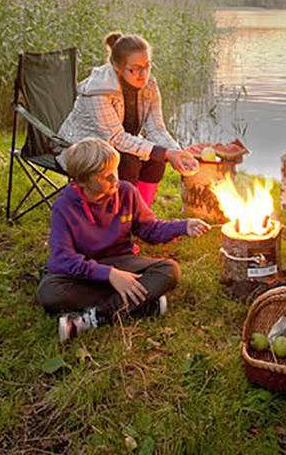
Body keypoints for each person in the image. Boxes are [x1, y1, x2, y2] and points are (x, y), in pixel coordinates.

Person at [37, 138, 211, 341]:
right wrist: (109, 275)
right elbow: (61, 259)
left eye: (115, 171)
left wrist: (183, 226)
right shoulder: (64, 206)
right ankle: (142, 303)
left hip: (122, 260)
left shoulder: (126, 192)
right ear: (82, 181)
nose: (115, 180)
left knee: (169, 270)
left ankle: (93, 317)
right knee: (49, 293)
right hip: (87, 269)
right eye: (105, 176)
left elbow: (149, 229)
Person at [57, 31, 198, 208]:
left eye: (147, 66)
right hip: (78, 149)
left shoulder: (149, 86)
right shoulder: (98, 91)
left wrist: (176, 152)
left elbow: (156, 128)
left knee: (156, 161)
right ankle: (121, 219)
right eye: (135, 69)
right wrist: (165, 153)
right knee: (127, 162)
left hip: (113, 146)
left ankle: (140, 216)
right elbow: (116, 138)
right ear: (117, 66)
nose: (143, 74)